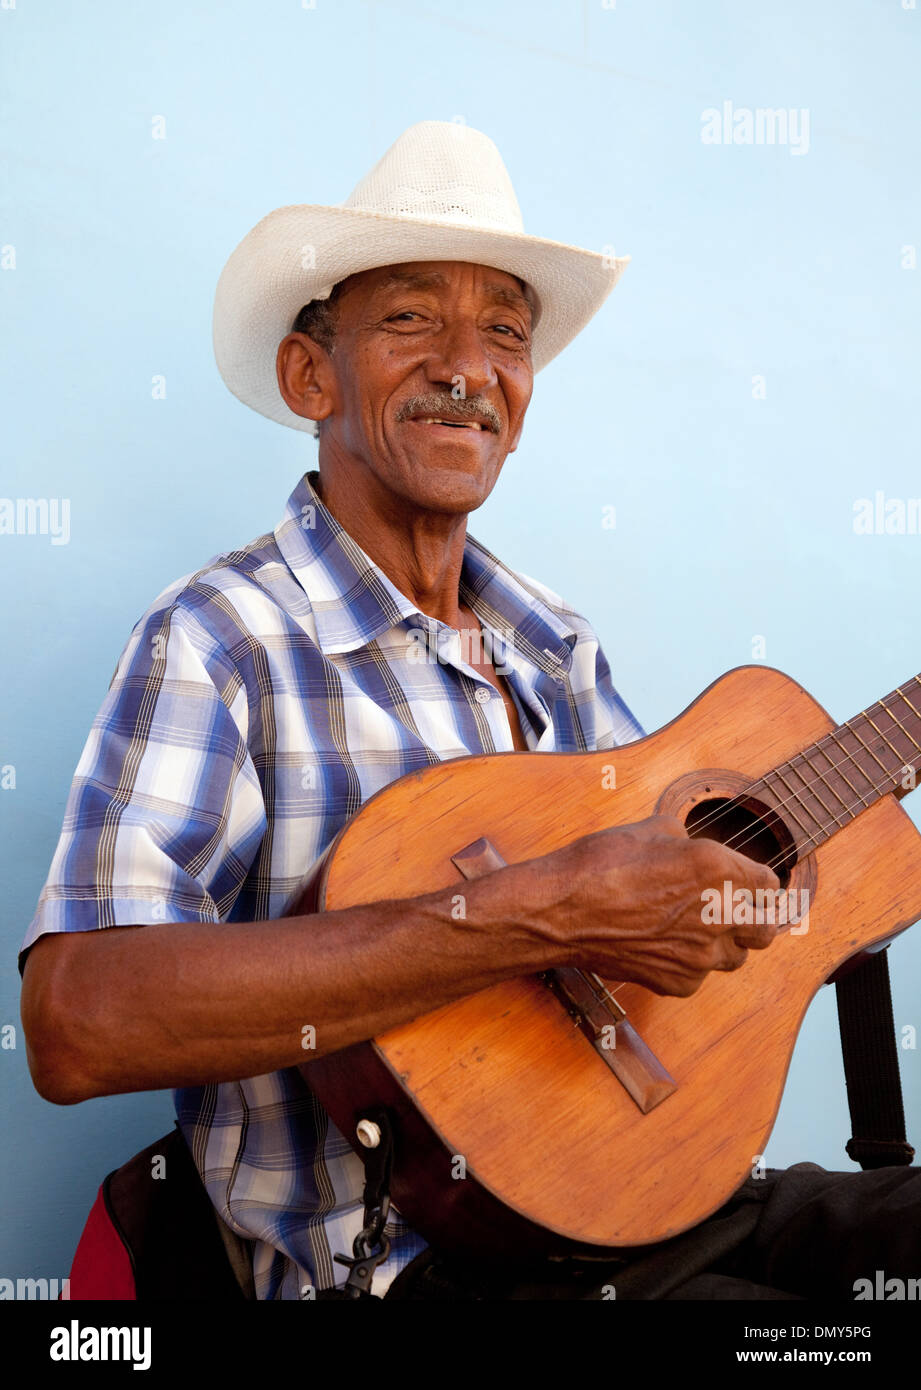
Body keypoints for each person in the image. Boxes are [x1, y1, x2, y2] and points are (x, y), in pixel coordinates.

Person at [19, 122, 919, 1302]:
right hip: (416, 1270)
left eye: (506, 332)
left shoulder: (555, 644)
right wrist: (526, 916)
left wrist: (727, 907)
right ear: (311, 376)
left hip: (654, 1196)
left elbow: (660, 918)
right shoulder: (223, 637)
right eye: (409, 320)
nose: (467, 366)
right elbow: (76, 1022)